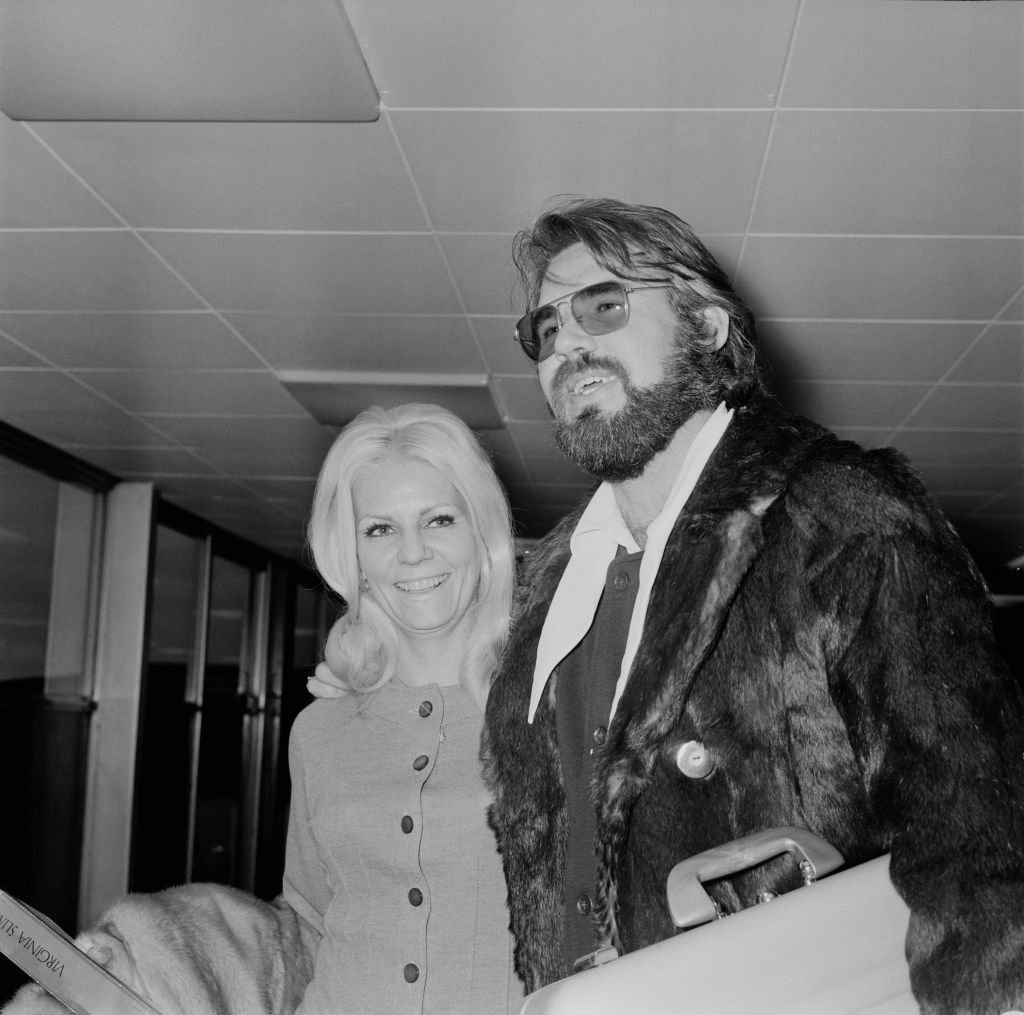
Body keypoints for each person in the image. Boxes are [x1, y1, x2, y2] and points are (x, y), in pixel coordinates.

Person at [480, 196, 1024, 1014]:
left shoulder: (836, 510)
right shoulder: (553, 586)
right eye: (546, 329)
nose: (570, 343)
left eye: (603, 304)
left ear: (704, 324)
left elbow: (980, 847)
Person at [5, 402, 523, 1015]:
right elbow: (305, 928)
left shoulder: (556, 705)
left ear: (481, 532)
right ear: (349, 553)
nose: (413, 554)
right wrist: (151, 966)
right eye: (379, 529)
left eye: (439, 519)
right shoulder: (322, 730)